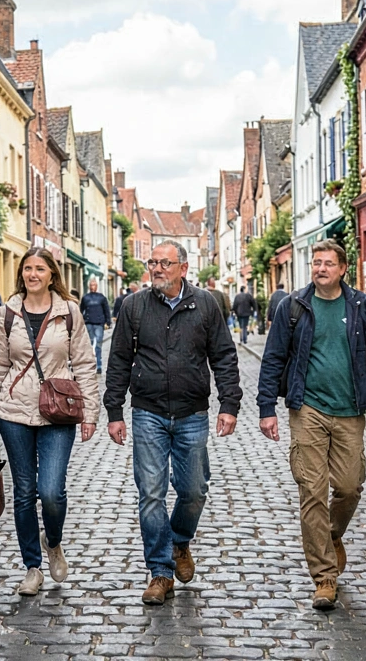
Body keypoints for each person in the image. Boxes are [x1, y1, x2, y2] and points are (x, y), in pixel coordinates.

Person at [256, 241, 366, 611]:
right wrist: (266, 407)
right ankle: (324, 577)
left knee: (349, 486)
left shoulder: (361, 306)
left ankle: (331, 535)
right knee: (312, 492)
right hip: (308, 410)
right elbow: (273, 359)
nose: (320, 269)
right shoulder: (294, 307)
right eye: (316, 262)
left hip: (351, 411)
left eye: (328, 263)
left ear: (343, 269)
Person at [106, 240, 242, 606]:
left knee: (194, 489)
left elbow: (224, 356)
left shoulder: (205, 305)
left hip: (192, 412)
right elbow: (118, 360)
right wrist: (114, 410)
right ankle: (160, 572)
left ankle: (180, 539)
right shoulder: (134, 306)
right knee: (150, 493)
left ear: (183, 268)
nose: (157, 268)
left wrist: (229, 403)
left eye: (165, 263)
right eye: (153, 262)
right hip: (147, 411)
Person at [0, 249, 101, 596]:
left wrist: (90, 413)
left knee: (51, 491)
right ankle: (32, 567)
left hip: (57, 412)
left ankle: (54, 540)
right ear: (22, 274)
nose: (33, 274)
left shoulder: (69, 312)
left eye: (40, 269)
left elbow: (85, 364)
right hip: (13, 412)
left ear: (52, 275)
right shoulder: (7, 313)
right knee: (24, 493)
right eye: (28, 269)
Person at [79, 278, 111, 374]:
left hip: (99, 323)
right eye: (91, 285)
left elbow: (106, 310)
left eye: (94, 285)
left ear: (96, 286)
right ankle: (91, 365)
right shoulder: (85, 298)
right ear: (89, 286)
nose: (93, 286)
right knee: (89, 345)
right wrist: (80, 322)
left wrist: (108, 321)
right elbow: (81, 310)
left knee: (98, 345)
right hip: (89, 322)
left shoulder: (101, 297)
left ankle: (99, 365)